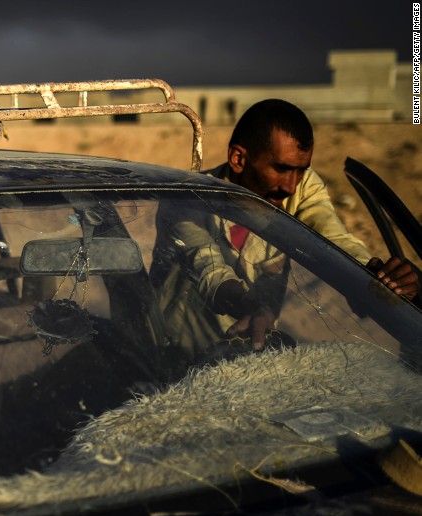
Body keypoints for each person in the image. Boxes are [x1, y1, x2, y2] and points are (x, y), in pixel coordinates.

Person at [151, 99, 419, 361]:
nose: (290, 186)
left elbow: (334, 240)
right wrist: (251, 307)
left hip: (250, 357)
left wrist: (374, 277)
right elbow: (209, 270)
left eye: (301, 171)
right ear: (238, 159)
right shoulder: (188, 200)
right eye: (281, 169)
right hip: (176, 355)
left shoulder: (301, 190)